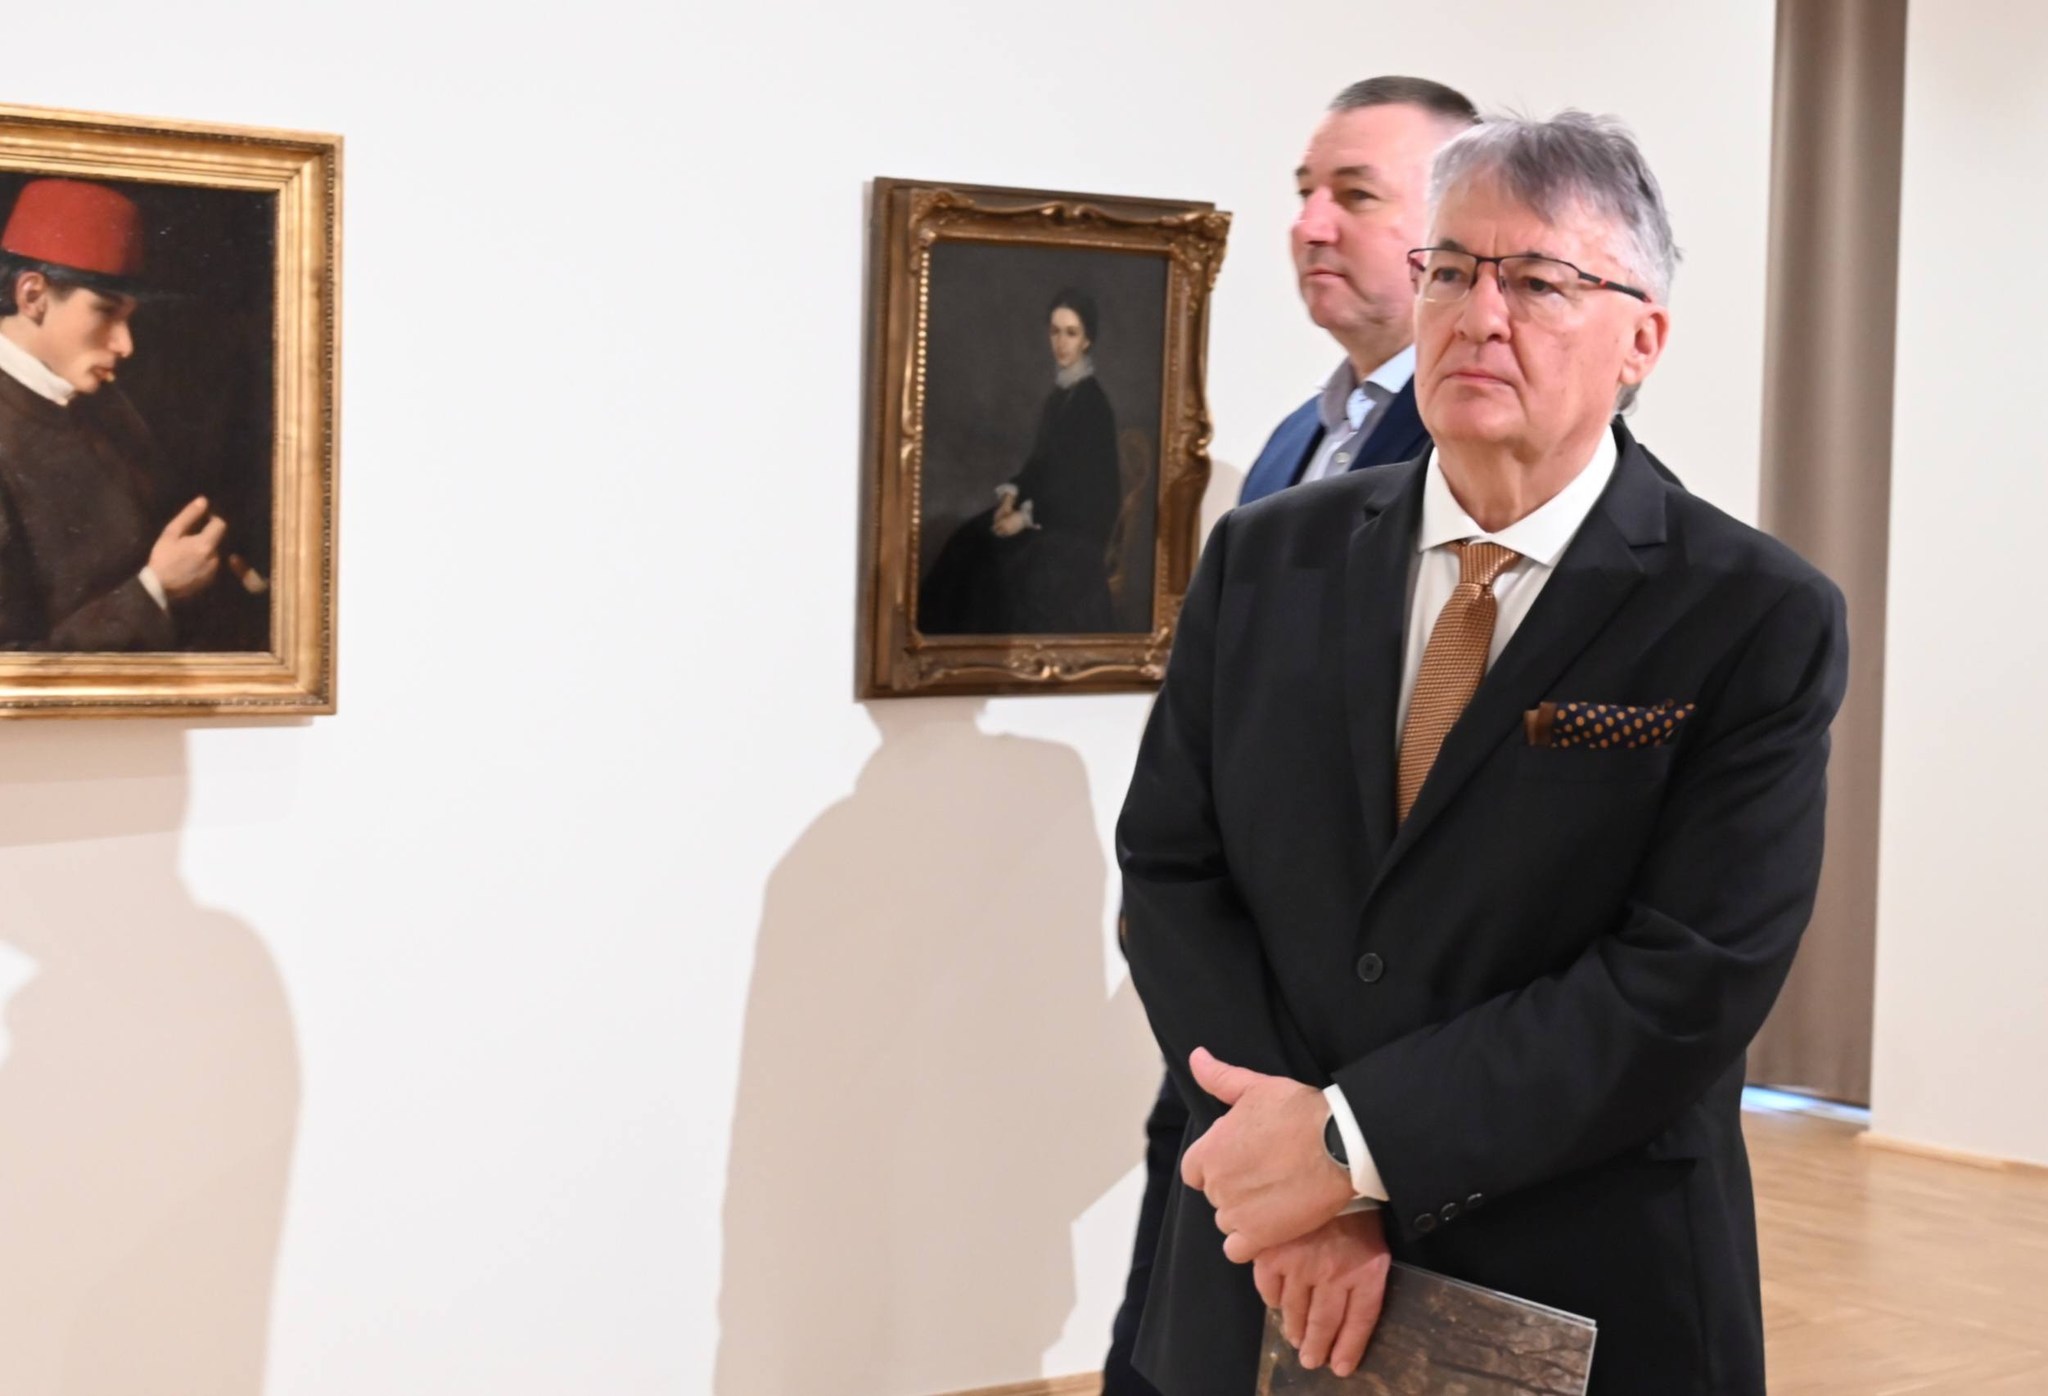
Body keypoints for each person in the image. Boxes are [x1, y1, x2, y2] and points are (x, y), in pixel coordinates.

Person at [1118, 112, 1847, 1396]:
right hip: (1260, 1255)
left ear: (1641, 341)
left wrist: (1347, 1151)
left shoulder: (1750, 612)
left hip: (1577, 1266)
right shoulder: (1266, 554)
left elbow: (1685, 977)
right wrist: (1289, 1170)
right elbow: (1173, 869)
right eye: (1450, 269)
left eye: (1538, 281)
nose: (1478, 315)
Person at [1100, 75, 1477, 1396]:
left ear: (1452, 233)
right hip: (1229, 1040)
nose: (1309, 223)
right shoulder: (1289, 446)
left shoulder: (1476, 460)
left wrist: (1331, 1139)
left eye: (1353, 195)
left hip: (1354, 1076)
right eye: (1304, 194)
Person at [0, 177, 232, 649]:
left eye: (128, 318)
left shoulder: (104, 401)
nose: (125, 345)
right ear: (33, 296)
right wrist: (155, 592)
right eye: (106, 313)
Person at [918, 287, 1121, 635]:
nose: (1061, 343)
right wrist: (1011, 497)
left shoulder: (1092, 404)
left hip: (1077, 530)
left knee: (997, 564)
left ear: (1087, 340)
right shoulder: (1059, 398)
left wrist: (1024, 519)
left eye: (1071, 333)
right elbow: (1041, 465)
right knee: (967, 539)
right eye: (1055, 332)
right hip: (1050, 515)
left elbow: (1082, 490)